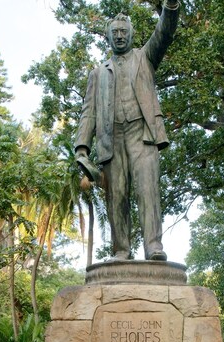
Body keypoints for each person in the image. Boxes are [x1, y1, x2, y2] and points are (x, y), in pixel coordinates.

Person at [75, 1, 180, 262]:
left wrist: (171, 5)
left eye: (124, 32)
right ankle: (121, 250)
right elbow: (89, 112)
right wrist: (82, 147)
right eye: (115, 33)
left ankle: (153, 247)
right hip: (112, 139)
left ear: (131, 35)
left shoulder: (145, 58)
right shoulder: (98, 73)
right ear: (108, 37)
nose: (120, 36)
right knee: (116, 197)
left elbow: (164, 33)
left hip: (142, 134)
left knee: (148, 192)